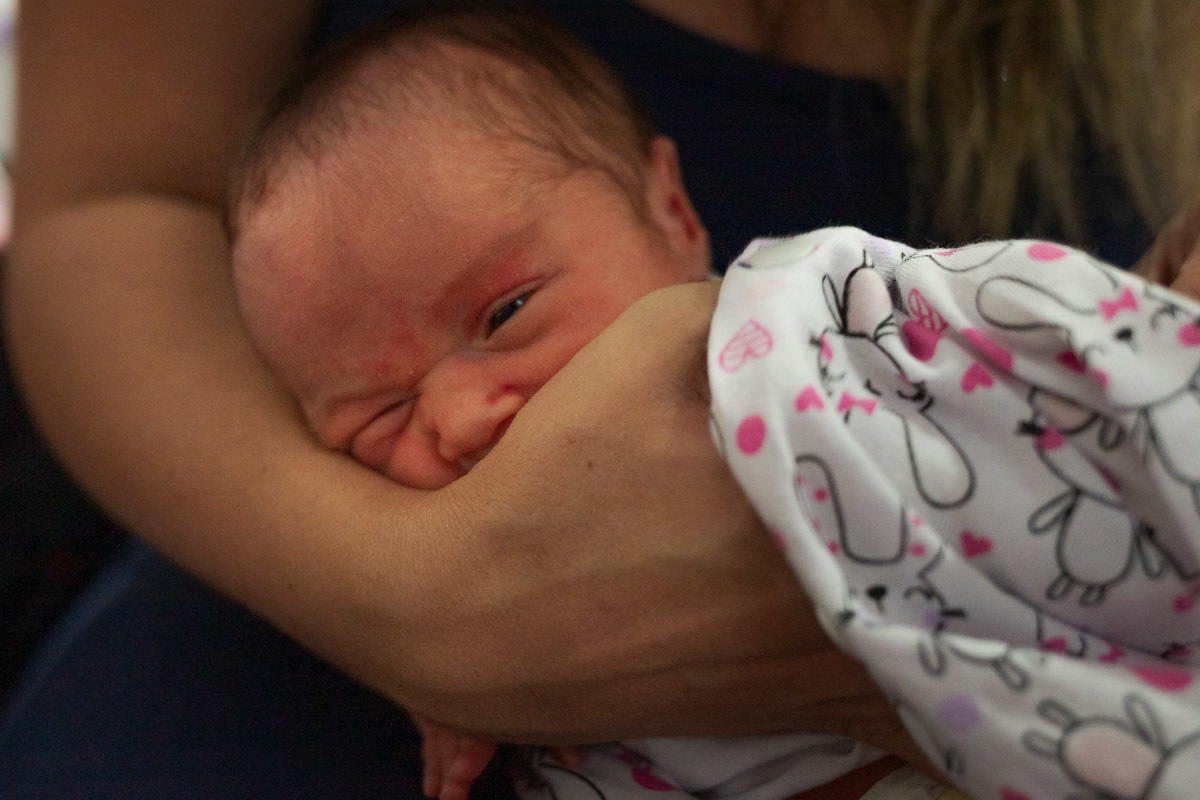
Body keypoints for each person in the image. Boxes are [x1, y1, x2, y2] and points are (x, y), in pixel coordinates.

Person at [5, 1, 1200, 797]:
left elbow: (1094, 386)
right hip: (294, 599)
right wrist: (415, 618)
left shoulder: (832, 310)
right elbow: (110, 200)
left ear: (676, 214)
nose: (464, 415)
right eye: (376, 417)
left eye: (509, 314)